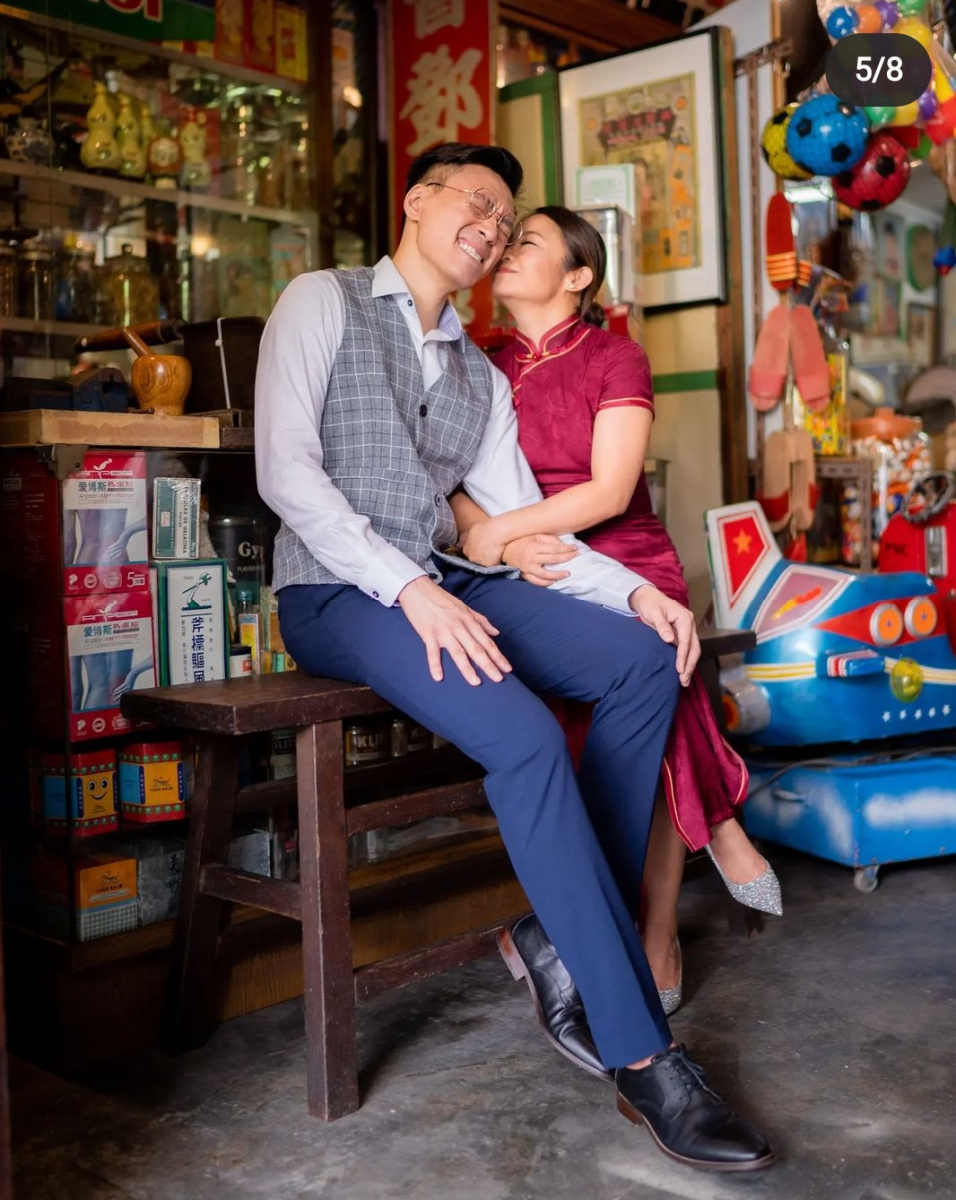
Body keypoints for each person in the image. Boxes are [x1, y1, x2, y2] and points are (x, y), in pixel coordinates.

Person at [255, 142, 773, 1172]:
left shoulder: (478, 376)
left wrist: (633, 592)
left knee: (641, 660)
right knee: (528, 739)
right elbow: (286, 473)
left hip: (447, 579)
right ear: (416, 200)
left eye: (505, 219)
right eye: (477, 204)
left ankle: (555, 935)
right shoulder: (322, 301)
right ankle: (641, 1056)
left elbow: (510, 524)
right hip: (334, 589)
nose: (491, 229)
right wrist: (405, 586)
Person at [450, 207, 782, 1019]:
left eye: (527, 241)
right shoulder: (478, 361)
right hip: (530, 568)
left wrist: (502, 533)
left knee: (652, 692)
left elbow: (608, 492)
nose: (506, 250)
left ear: (578, 276)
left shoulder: (614, 355)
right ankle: (718, 825)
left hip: (624, 555)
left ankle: (657, 932)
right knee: (592, 743)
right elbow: (447, 478)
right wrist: (495, 542)